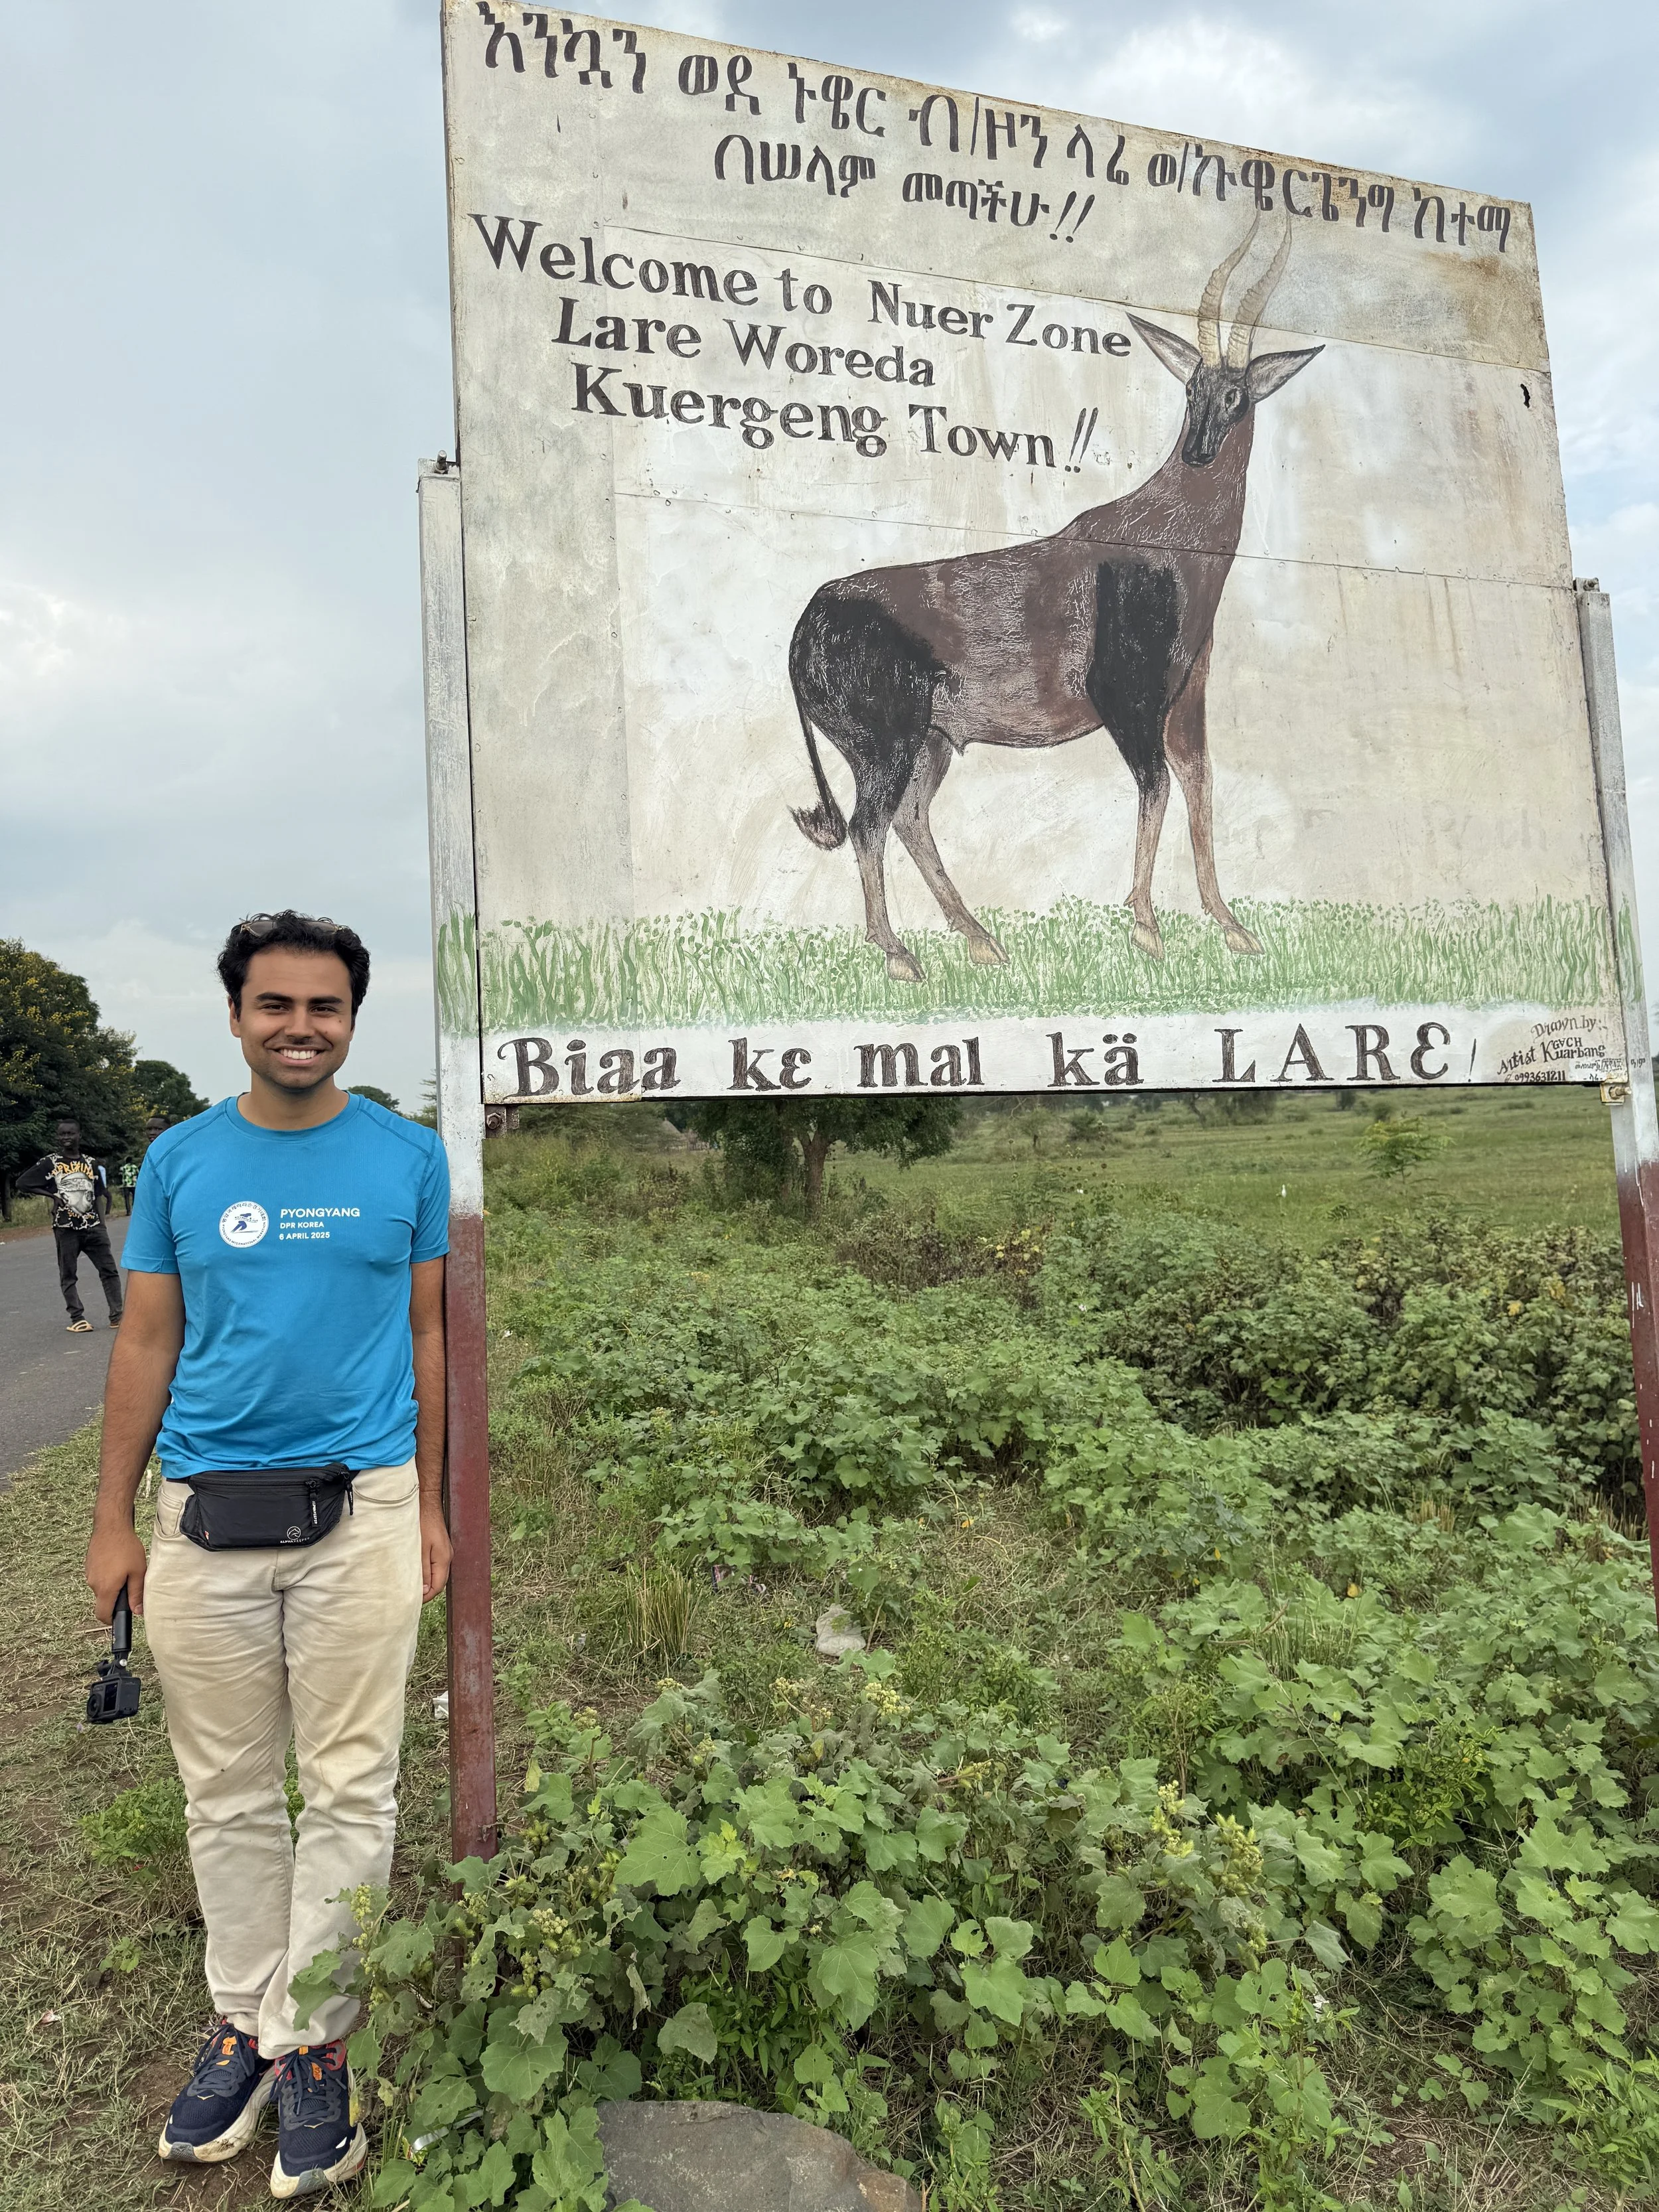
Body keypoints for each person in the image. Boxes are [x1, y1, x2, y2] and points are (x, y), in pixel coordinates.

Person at [84, 911, 453, 2199]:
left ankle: (316, 2043)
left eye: (327, 1006)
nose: (302, 1025)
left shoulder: (405, 1157)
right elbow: (143, 1341)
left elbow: (425, 1336)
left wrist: (431, 1506)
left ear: (355, 1018)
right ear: (236, 1015)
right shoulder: (179, 1161)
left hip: (364, 1507)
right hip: (204, 1514)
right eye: (276, 1003)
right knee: (227, 1789)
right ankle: (245, 2016)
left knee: (352, 1784)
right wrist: (113, 1518)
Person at [17, 1116, 123, 1330]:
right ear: (58, 1137)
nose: (66, 1137)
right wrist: (53, 1195)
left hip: (93, 1227)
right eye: (62, 1134)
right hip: (66, 1228)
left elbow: (99, 1194)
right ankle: (78, 1318)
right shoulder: (51, 1163)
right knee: (68, 1274)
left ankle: (118, 1315)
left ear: (79, 1135)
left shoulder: (90, 1163)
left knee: (109, 1270)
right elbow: (23, 1183)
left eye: (70, 1133)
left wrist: (102, 1224)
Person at [118, 1114, 173, 1215]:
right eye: (149, 1129)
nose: (152, 1133)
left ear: (169, 1130)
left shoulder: (174, 1153)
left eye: (158, 1129)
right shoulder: (150, 1154)